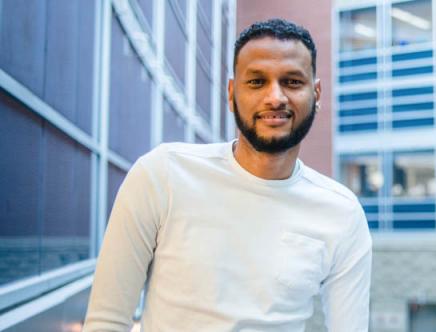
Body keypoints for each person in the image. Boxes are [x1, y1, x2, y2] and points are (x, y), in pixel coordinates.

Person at [83, 19, 372, 331]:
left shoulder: (342, 212)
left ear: (316, 93)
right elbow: (106, 322)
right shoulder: (162, 174)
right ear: (232, 92)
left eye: (291, 82)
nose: (275, 97)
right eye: (256, 82)